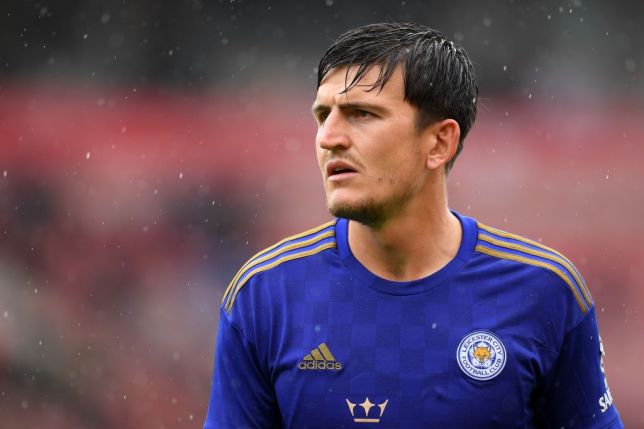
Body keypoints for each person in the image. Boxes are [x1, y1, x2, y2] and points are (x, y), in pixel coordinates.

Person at [203, 22, 622, 428]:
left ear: (439, 142)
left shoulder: (544, 291)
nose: (329, 138)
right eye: (323, 115)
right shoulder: (264, 294)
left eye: (361, 114)